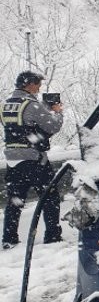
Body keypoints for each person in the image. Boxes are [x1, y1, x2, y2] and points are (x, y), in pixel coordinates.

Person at [2, 71, 64, 247]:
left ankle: (9, 239)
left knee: (15, 201)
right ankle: (52, 237)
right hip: (34, 160)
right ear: (28, 84)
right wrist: (57, 112)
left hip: (13, 161)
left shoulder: (5, 105)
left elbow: (16, 128)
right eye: (37, 84)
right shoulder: (32, 105)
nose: (39, 88)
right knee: (49, 198)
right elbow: (53, 126)